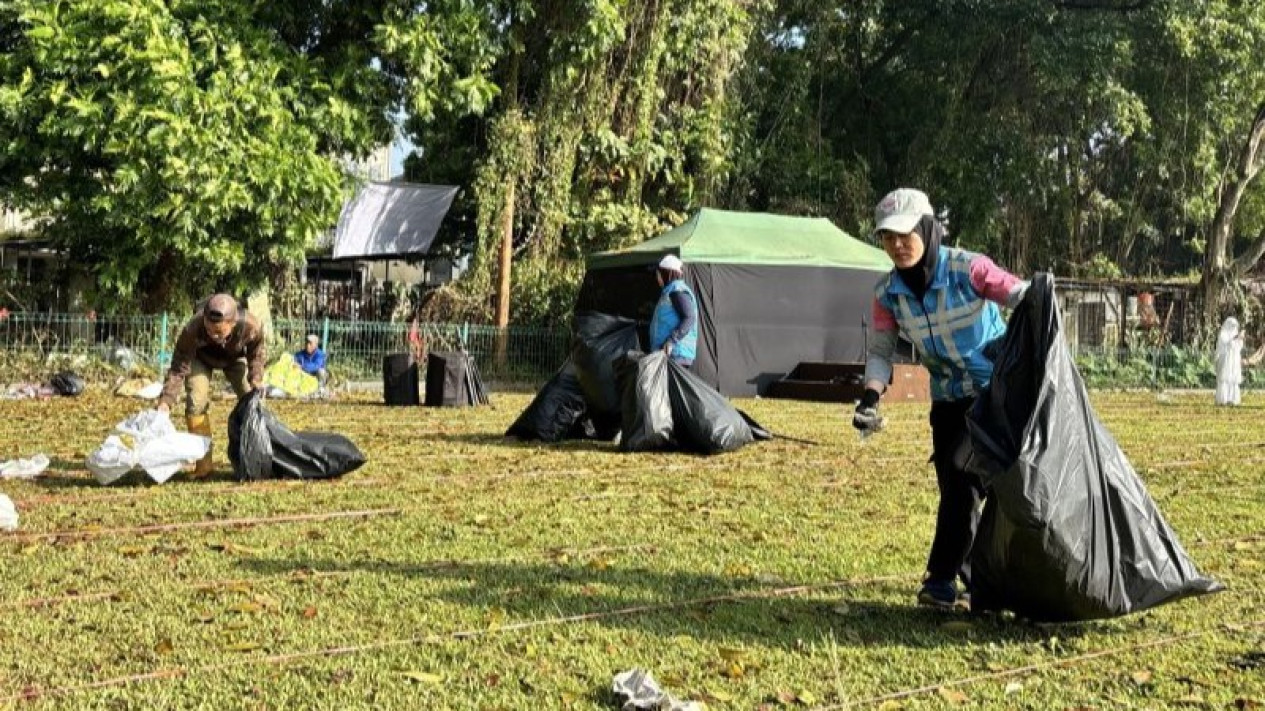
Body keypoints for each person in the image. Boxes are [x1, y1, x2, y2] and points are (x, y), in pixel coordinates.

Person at [853, 188, 1028, 610]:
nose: (897, 244)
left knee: (962, 472)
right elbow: (880, 351)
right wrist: (870, 398)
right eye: (887, 236)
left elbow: (1018, 294)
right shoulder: (888, 294)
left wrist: (1032, 300)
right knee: (955, 486)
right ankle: (973, 577)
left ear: (928, 229)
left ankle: (941, 579)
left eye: (905, 234)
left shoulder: (969, 269)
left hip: (993, 394)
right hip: (947, 399)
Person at [156, 294, 266, 478]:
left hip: (234, 358)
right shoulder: (192, 328)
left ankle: (256, 459)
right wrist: (166, 401)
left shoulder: (251, 326)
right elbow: (178, 367)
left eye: (219, 332)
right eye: (208, 330)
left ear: (232, 323)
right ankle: (204, 465)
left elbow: (257, 354)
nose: (213, 336)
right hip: (201, 359)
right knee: (195, 403)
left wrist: (256, 379)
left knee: (252, 401)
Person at [648, 254, 698, 368]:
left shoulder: (677, 290)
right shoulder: (669, 291)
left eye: (658, 274)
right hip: (669, 353)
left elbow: (689, 317)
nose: (657, 278)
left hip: (675, 354)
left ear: (667, 273)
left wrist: (671, 341)